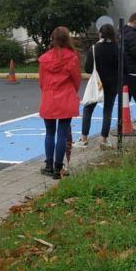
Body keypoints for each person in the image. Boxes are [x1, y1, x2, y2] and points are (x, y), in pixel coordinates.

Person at [38, 26, 81, 179]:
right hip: (66, 98)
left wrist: (48, 91)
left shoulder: (44, 59)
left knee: (49, 132)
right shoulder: (72, 57)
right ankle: (58, 168)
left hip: (49, 98)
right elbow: (76, 79)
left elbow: (42, 82)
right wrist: (71, 91)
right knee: (62, 134)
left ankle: (48, 165)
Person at [80, 23, 120, 148]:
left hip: (97, 84)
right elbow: (121, 67)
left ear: (101, 34)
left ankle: (84, 138)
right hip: (112, 84)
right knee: (107, 111)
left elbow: (87, 68)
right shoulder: (116, 48)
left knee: (88, 109)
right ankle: (103, 139)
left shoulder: (94, 48)